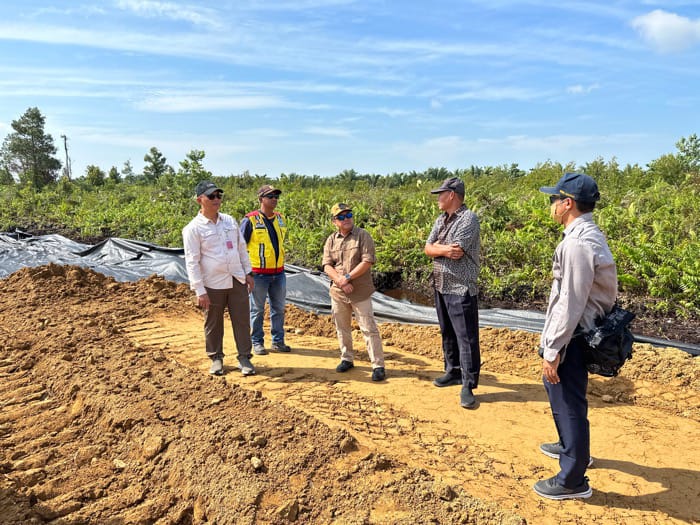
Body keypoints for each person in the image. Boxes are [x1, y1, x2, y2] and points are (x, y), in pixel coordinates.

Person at [534, 172, 617, 500]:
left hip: (575, 335)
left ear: (567, 203)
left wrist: (552, 348)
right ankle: (570, 447)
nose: (552, 206)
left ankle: (573, 478)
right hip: (580, 331)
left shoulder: (577, 243)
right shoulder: (587, 234)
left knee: (567, 399)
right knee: (564, 397)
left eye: (554, 200)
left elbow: (571, 300)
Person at [182, 180, 256, 377]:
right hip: (212, 283)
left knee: (241, 319)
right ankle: (216, 358)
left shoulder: (229, 221)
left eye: (219, 195)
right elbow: (192, 261)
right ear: (200, 200)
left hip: (236, 278)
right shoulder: (193, 229)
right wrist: (199, 290)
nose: (217, 199)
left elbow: (241, 248)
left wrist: (248, 273)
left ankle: (244, 357)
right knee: (213, 322)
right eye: (211, 196)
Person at [425, 177, 481, 409]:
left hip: (460, 287)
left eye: (441, 194)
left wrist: (442, 248)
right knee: (447, 331)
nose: (438, 198)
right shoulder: (441, 219)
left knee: (466, 337)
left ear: (452, 195)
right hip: (441, 283)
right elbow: (427, 248)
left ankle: (468, 383)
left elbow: (457, 251)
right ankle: (453, 371)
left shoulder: (469, 219)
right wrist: (442, 249)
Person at [322, 203, 386, 382]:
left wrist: (347, 278)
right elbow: (327, 265)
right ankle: (347, 358)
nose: (346, 219)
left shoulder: (362, 236)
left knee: (368, 328)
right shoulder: (331, 240)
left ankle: (378, 365)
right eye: (341, 217)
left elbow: (367, 261)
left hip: (360, 291)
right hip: (338, 292)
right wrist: (341, 282)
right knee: (342, 328)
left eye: (348, 214)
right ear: (335, 221)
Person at [241, 184, 291, 355]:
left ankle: (278, 342)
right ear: (261, 199)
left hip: (279, 273)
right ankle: (257, 342)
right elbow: (240, 248)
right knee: (257, 310)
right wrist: (246, 273)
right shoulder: (250, 220)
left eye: (276, 196)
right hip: (258, 274)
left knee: (278, 308)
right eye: (270, 196)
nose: (274, 199)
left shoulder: (280, 218)